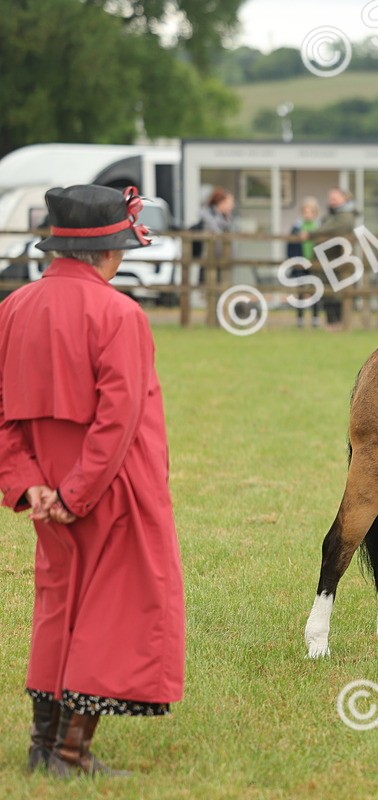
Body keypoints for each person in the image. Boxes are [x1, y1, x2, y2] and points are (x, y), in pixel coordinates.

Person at [0, 185, 186, 776]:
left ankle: (42, 745)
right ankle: (72, 753)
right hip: (111, 487)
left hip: (46, 488)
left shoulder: (11, 309)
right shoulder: (120, 314)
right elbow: (119, 418)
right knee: (117, 610)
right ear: (107, 251)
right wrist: (77, 494)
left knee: (59, 607)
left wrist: (32, 486)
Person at [302, 188, 357, 331]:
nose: (331, 200)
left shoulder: (345, 216)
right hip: (327, 261)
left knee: (336, 295)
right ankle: (331, 324)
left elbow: (335, 229)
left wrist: (312, 233)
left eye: (334, 198)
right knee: (327, 293)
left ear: (344, 199)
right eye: (330, 198)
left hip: (336, 262)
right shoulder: (334, 215)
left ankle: (337, 324)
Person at [287, 196, 322, 328]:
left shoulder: (319, 227)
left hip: (315, 263)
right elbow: (290, 245)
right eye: (305, 211)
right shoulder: (297, 227)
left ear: (315, 212)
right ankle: (300, 319)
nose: (307, 214)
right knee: (300, 291)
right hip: (300, 263)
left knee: (315, 291)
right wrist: (293, 261)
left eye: (310, 211)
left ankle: (315, 318)